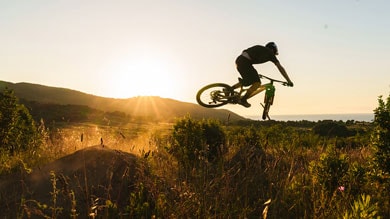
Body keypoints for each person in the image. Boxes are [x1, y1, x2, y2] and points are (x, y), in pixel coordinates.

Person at [234, 42, 293, 107]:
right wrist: (288, 80)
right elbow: (280, 67)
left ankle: (229, 89)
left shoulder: (262, 49)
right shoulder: (270, 53)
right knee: (257, 83)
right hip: (245, 62)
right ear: (273, 49)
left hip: (239, 61)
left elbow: (246, 52)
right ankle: (243, 100)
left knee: (249, 81)